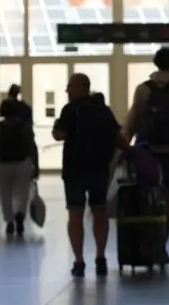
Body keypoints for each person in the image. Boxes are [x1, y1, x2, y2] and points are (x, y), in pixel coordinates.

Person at [124, 47, 169, 264]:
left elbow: (133, 119)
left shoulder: (142, 89)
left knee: (147, 198)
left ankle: (145, 242)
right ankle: (161, 244)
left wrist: (125, 147)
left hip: (146, 152)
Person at [53, 73, 125, 277]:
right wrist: (130, 151)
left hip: (74, 169)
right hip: (99, 168)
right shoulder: (103, 109)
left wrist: (59, 127)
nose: (67, 90)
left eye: (70, 86)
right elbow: (117, 135)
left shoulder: (70, 110)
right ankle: (100, 257)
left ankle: (78, 260)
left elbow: (59, 134)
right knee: (99, 212)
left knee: (75, 213)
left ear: (82, 87)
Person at [0, 97, 38, 235]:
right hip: (22, 163)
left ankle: (9, 220)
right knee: (23, 192)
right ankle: (20, 213)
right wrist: (36, 165)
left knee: (5, 193)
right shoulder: (24, 126)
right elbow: (32, 146)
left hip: (2, 164)